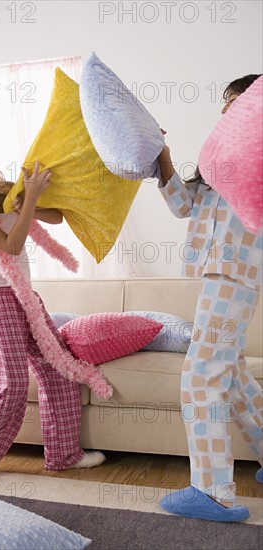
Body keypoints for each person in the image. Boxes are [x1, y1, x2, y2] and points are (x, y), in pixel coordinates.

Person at [0, 146, 105, 484]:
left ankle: (64, 455)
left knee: (59, 370)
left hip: (27, 297)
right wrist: (28, 203)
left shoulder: (5, 192)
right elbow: (11, 245)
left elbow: (55, 217)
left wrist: (31, 199)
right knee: (12, 384)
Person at [157, 75, 262, 521]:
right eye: (224, 103)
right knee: (230, 372)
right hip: (216, 271)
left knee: (201, 376)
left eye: (235, 102)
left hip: (236, 271)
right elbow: (183, 206)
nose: (225, 111)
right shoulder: (217, 165)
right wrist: (161, 157)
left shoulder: (254, 160)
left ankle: (213, 490)